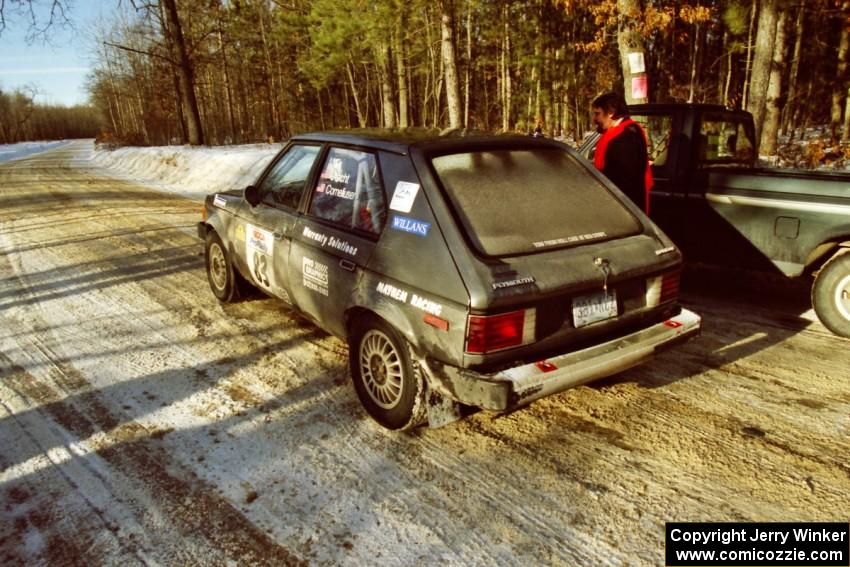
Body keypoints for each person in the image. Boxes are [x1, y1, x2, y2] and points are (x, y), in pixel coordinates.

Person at [591, 92, 653, 214]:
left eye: (597, 114)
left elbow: (621, 182)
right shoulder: (629, 130)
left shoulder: (624, 138)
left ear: (611, 113)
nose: (595, 119)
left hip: (624, 210)